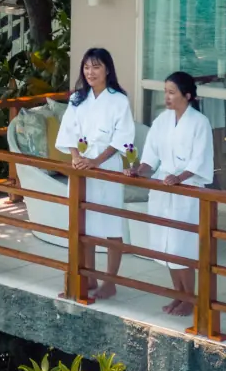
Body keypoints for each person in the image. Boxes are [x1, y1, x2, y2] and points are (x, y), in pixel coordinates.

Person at [54, 47, 134, 300]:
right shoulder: (78, 98)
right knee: (83, 223)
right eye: (87, 67)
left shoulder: (119, 100)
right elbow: (68, 131)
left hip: (107, 168)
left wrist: (96, 161)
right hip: (81, 168)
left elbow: (122, 138)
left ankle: (110, 281)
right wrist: (76, 158)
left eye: (96, 67)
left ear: (107, 69)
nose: (90, 72)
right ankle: (88, 277)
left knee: (111, 223)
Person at [136, 71, 214, 316]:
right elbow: (151, 154)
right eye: (165, 92)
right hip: (163, 187)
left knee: (182, 245)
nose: (167, 97)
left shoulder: (200, 122)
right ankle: (178, 296)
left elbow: (200, 158)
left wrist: (179, 178)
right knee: (166, 245)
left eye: (172, 92)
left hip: (187, 189)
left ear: (187, 95)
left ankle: (191, 299)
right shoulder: (162, 120)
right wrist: (139, 169)